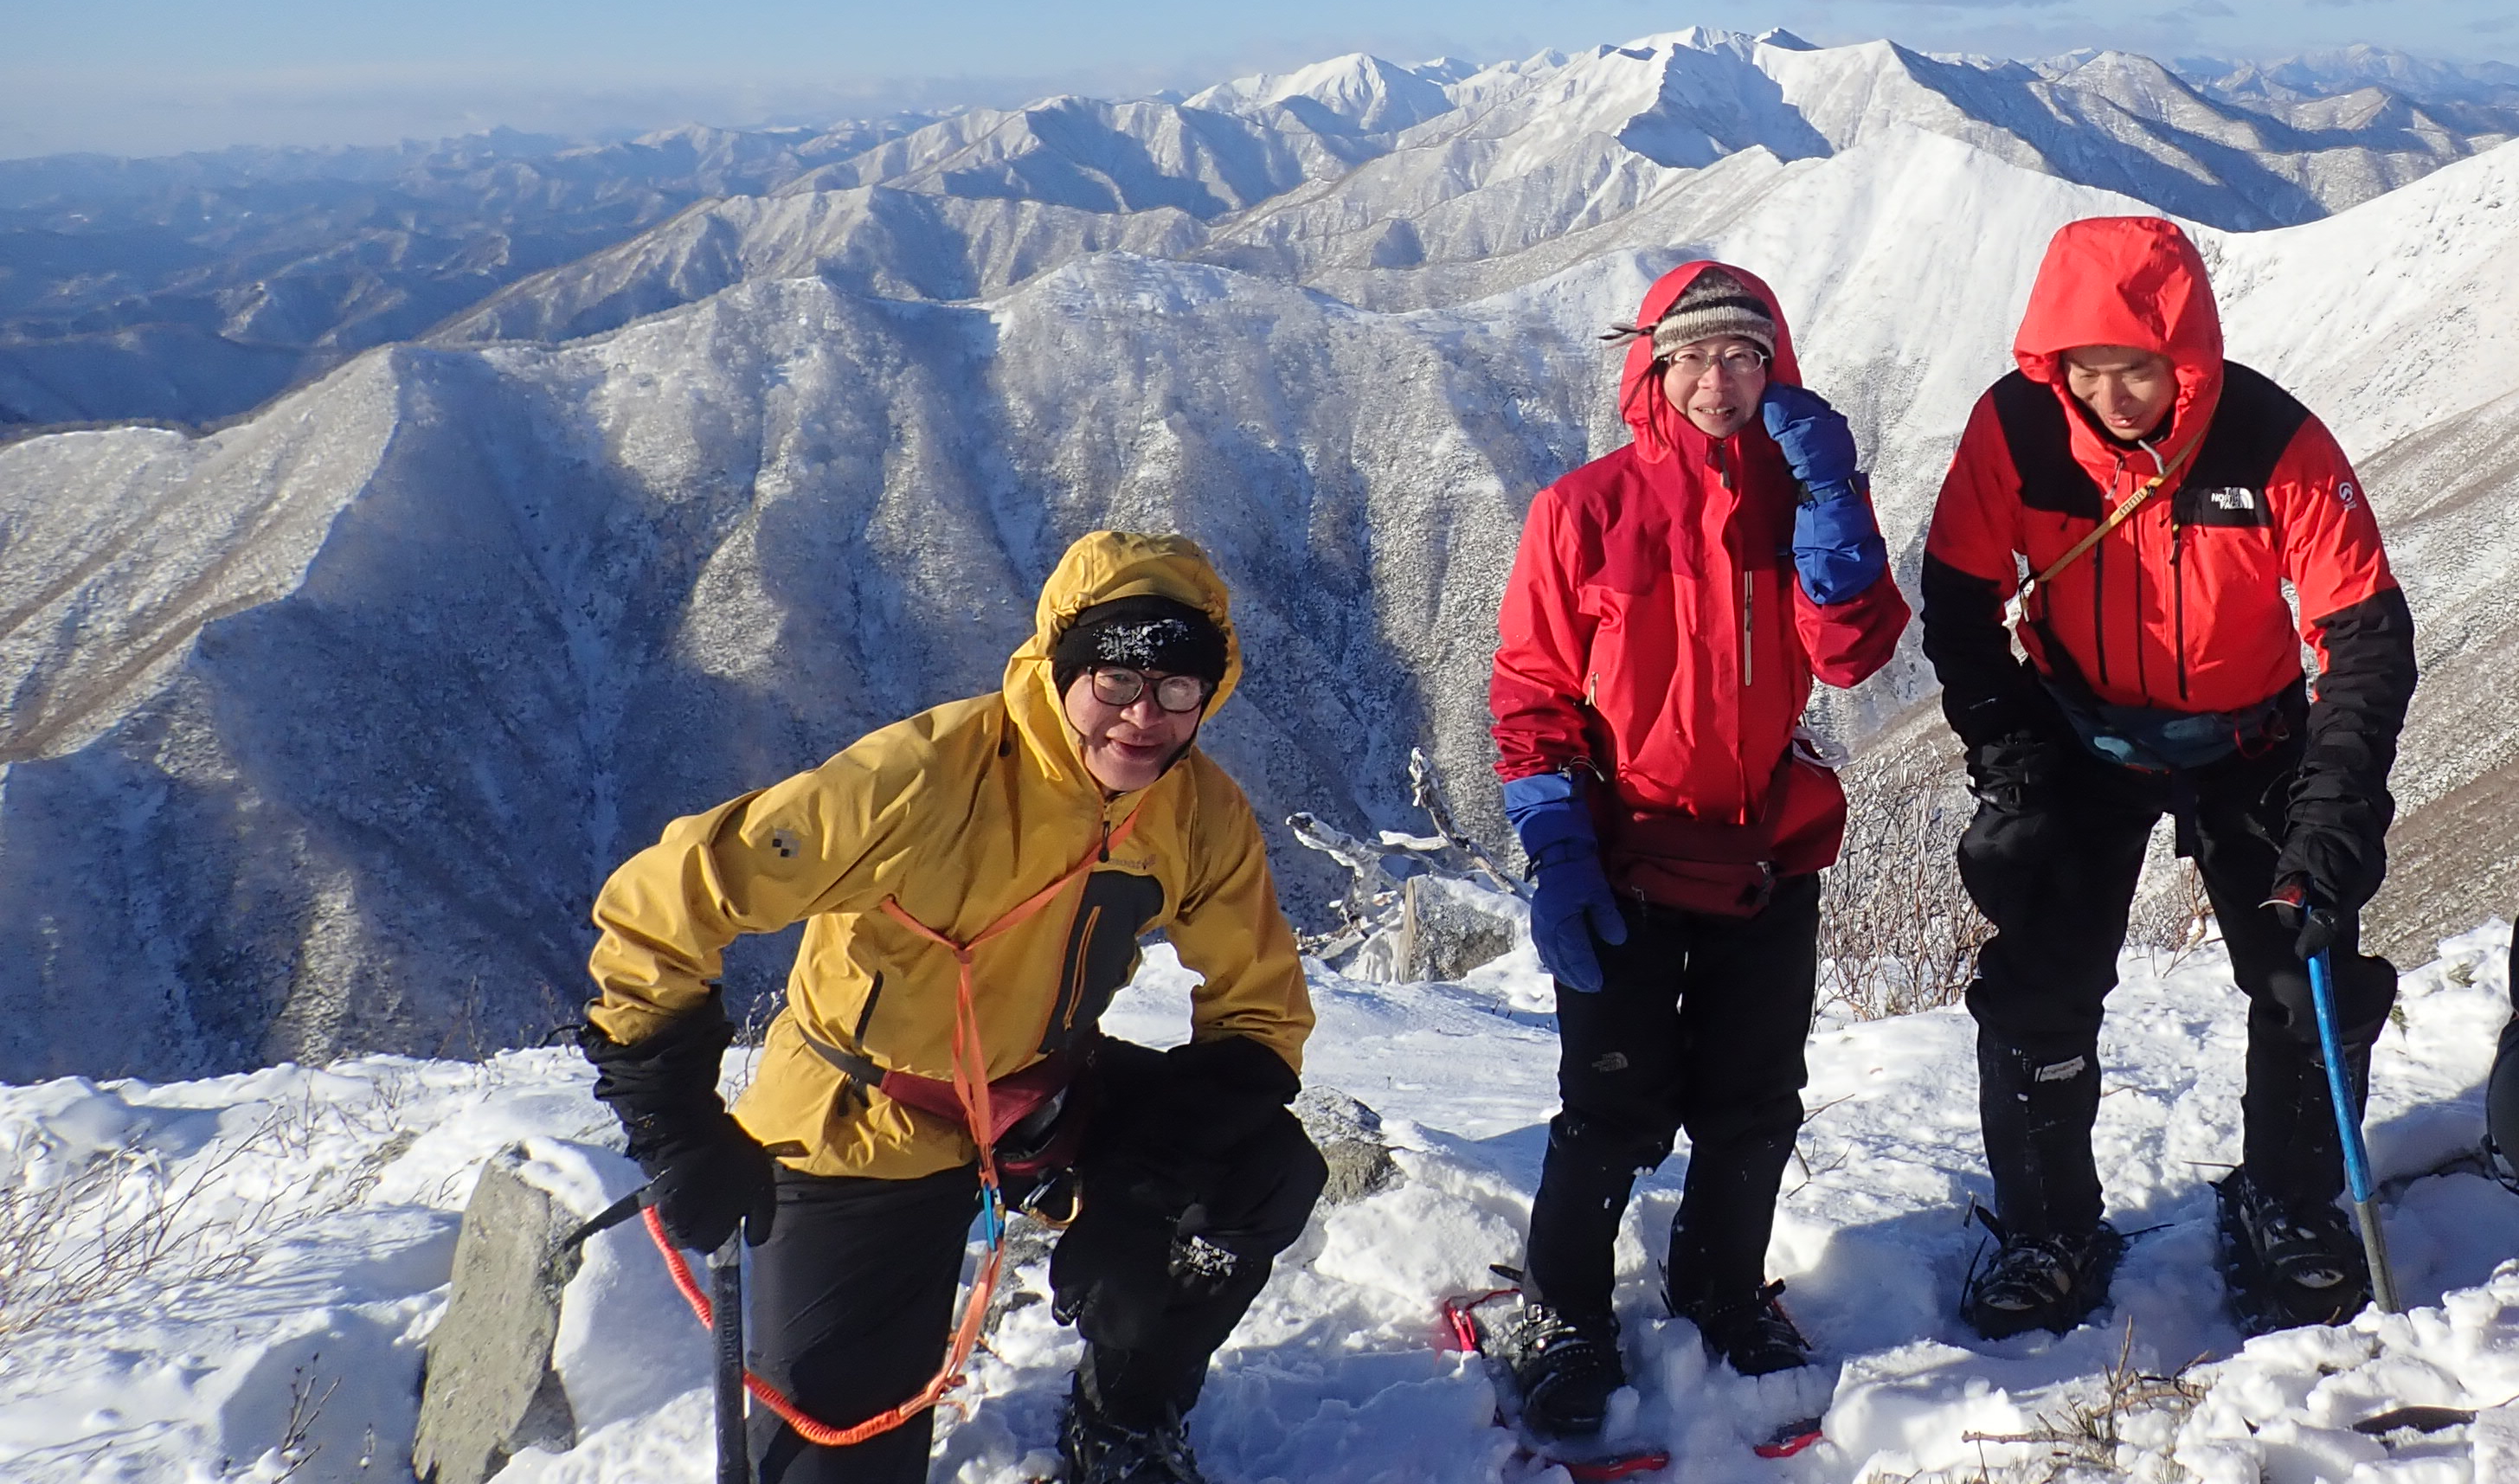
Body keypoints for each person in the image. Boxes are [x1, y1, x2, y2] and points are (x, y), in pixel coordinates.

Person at [578, 531, 1321, 1484]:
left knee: (1263, 1174)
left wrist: (1139, 1192)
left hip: (1039, 1098)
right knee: (835, 1468)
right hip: (867, 1125)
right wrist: (673, 1124)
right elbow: (664, 902)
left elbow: (1260, 1016)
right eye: (1115, 683)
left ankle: (1125, 1414)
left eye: (1179, 689)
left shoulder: (1198, 813)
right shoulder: (923, 780)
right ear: (1062, 669)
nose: (1144, 719)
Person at [1918, 215, 2417, 1339]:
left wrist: (2334, 821)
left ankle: (2286, 1203)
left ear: (2185, 354)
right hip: (2078, 734)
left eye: (2136, 367)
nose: (2111, 395)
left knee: (2303, 970)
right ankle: (2049, 1227)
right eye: (2085, 370)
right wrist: (2011, 769)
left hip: (2251, 740)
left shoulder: (2270, 440)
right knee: (2041, 982)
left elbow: (2366, 637)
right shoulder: (2018, 431)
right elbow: (1957, 601)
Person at [1486, 260, 1912, 1444]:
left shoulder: (1799, 490)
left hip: (1762, 852)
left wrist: (1835, 496)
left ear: (1776, 371)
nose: (1717, 381)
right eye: (1694, 358)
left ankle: (1721, 1286)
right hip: (1625, 852)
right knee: (1610, 1109)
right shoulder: (1583, 510)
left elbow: (1853, 655)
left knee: (1754, 1102)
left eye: (1743, 357)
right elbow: (1531, 695)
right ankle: (1564, 1314)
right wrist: (1558, 842)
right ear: (1653, 373)